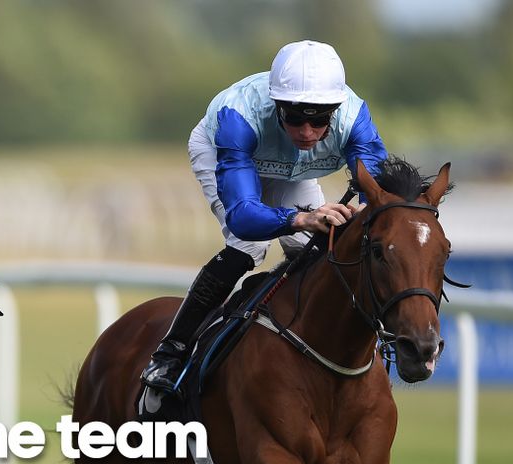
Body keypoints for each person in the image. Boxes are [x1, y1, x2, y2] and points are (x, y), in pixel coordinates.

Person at [140, 40, 388, 394]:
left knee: (319, 248)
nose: (306, 132)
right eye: (295, 117)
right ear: (276, 105)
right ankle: (171, 351)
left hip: (295, 171)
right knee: (247, 249)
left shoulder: (355, 118)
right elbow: (243, 216)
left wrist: (362, 213)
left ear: (335, 109)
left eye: (319, 120)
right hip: (227, 156)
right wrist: (302, 218)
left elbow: (378, 196)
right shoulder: (237, 117)